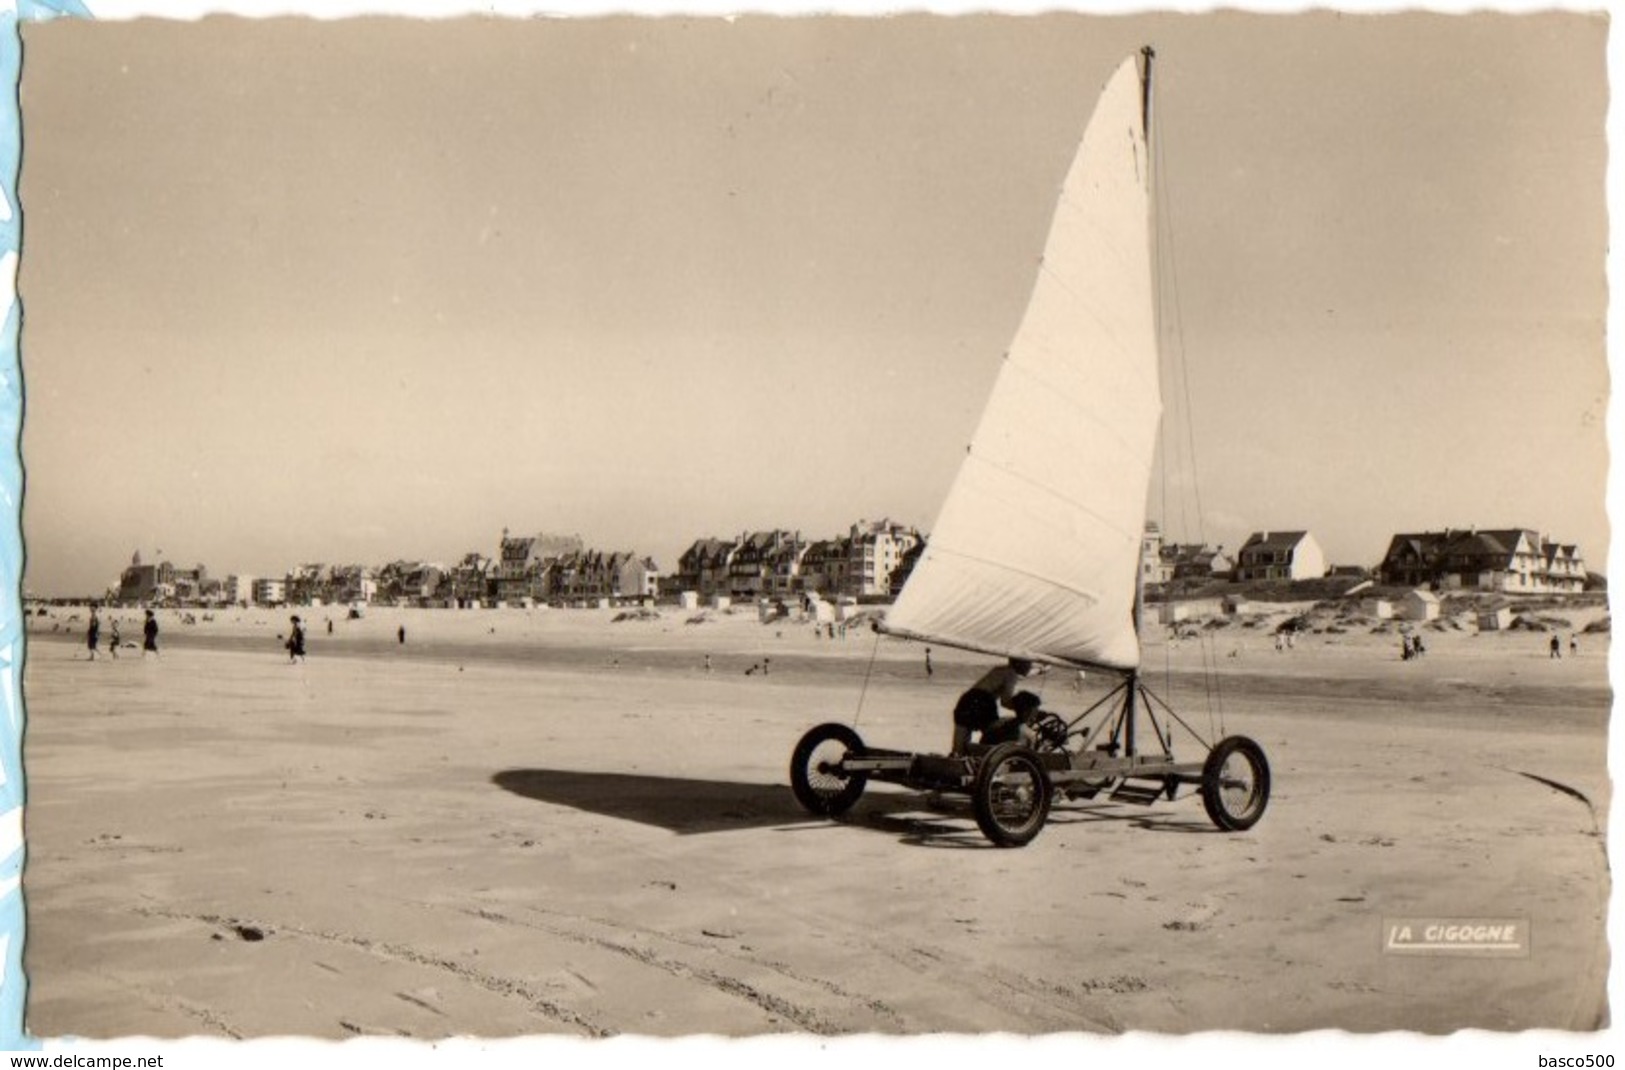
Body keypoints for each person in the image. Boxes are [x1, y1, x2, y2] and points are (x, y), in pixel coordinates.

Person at [951, 658, 1040, 755]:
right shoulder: (1011, 674)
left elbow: (1023, 676)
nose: (1030, 666)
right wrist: (1025, 709)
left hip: (967, 699)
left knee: (960, 743)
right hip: (982, 701)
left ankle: (954, 761)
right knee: (994, 733)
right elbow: (1005, 701)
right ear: (1020, 664)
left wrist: (1039, 671)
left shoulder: (1001, 670)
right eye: (1029, 663)